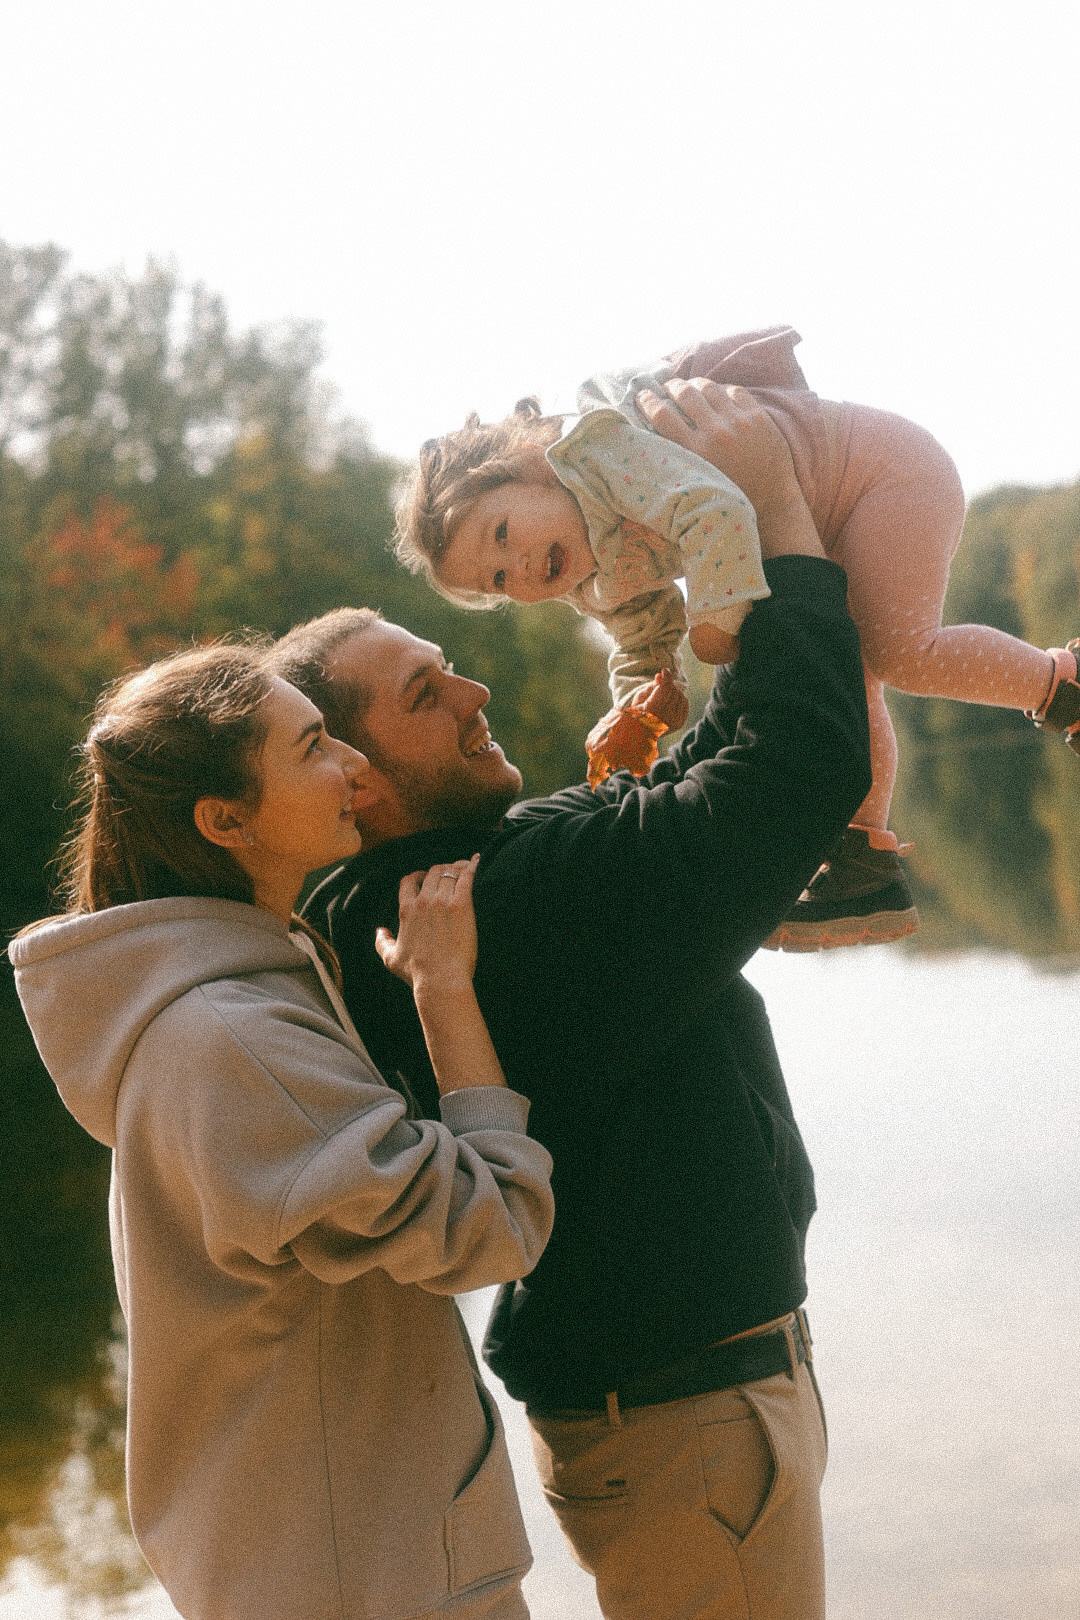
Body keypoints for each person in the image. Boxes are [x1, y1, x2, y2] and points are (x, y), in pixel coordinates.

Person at [273, 385, 872, 1620]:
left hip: (683, 1406)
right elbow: (795, 772)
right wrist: (778, 513)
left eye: (450, 663)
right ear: (351, 777)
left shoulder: (450, 877)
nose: (476, 691)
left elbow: (686, 803)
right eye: (425, 697)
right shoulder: (479, 899)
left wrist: (671, 710)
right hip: (683, 1420)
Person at [8, 642, 555, 1620]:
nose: (355, 767)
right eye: (312, 749)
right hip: (368, 1580)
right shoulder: (237, 1041)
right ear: (224, 820)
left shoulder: (223, 1001)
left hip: (324, 1558)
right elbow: (495, 1225)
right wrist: (446, 997)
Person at [394, 327, 1080, 950]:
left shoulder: (604, 452)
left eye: (503, 533)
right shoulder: (590, 569)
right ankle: (858, 854)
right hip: (813, 528)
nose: (518, 567)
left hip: (876, 473)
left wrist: (715, 627)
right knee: (846, 669)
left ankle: (1062, 681)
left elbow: (713, 509)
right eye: (498, 580)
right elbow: (639, 636)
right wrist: (639, 705)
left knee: (900, 650)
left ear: (532, 463)